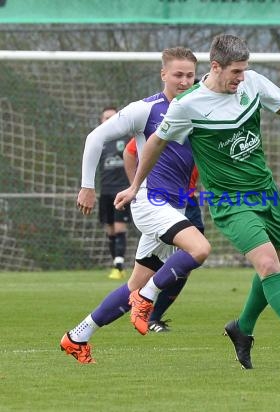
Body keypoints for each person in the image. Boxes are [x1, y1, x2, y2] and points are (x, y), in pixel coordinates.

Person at [115, 34, 280, 368]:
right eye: (235, 71)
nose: (241, 77)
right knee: (267, 264)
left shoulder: (251, 83)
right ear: (215, 67)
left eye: (244, 70)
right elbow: (152, 144)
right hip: (230, 201)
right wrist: (136, 184)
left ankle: (242, 328)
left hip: (265, 191)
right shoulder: (188, 105)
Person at [61, 46, 210, 364]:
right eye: (177, 75)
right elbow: (95, 138)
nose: (184, 81)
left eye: (189, 75)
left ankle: (77, 336)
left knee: (133, 285)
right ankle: (148, 297)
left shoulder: (199, 110)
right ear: (163, 74)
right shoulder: (146, 110)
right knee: (198, 249)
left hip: (174, 207)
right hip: (150, 203)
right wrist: (88, 186)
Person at [123, 137, 204, 332]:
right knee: (158, 264)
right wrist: (135, 186)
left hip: (187, 201)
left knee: (189, 261)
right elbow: (129, 152)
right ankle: (144, 306)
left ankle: (153, 315)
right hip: (159, 201)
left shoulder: (201, 124)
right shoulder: (165, 123)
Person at [97, 106, 132, 280]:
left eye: (113, 117)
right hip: (105, 192)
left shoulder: (126, 139)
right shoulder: (99, 141)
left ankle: (119, 265)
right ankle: (116, 265)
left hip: (122, 191)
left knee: (119, 228)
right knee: (110, 230)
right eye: (106, 118)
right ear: (101, 121)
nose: (109, 120)